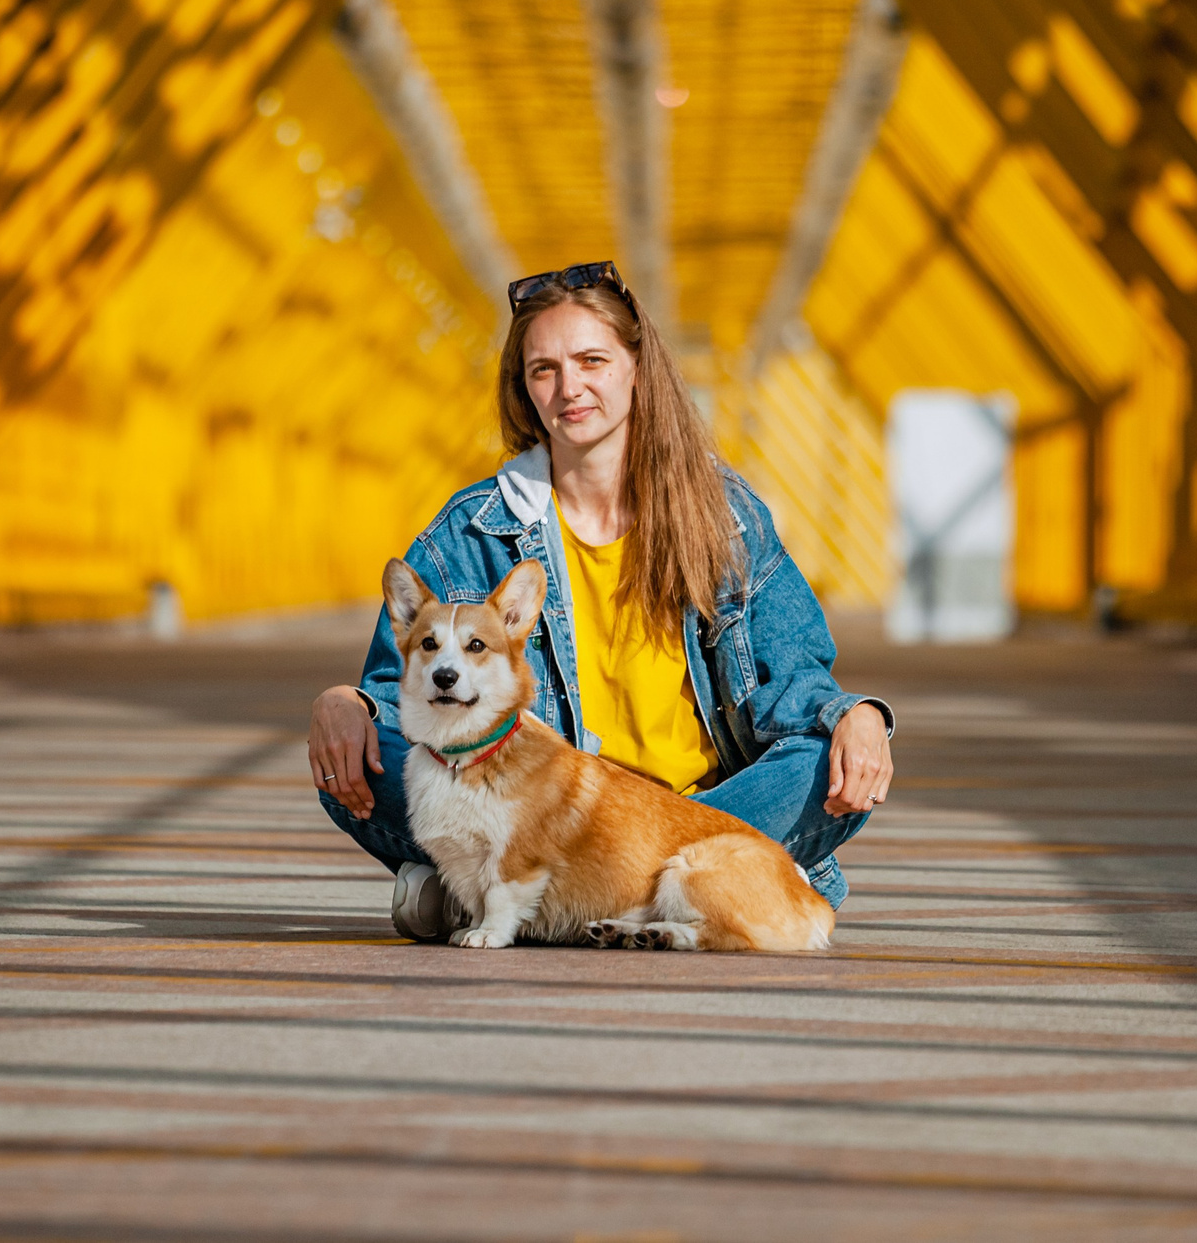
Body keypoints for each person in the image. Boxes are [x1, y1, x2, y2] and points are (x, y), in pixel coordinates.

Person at [307, 259, 895, 941]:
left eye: (592, 359)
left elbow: (793, 674)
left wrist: (854, 715)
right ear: (524, 389)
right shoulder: (471, 528)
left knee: (832, 754)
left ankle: (503, 894)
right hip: (543, 812)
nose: (570, 388)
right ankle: (533, 887)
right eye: (544, 369)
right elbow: (404, 686)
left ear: (637, 367)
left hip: (699, 817)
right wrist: (344, 705)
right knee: (358, 756)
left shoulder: (726, 514)